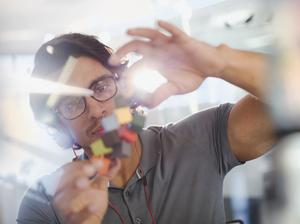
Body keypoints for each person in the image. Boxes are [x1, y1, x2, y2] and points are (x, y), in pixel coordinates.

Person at [17, 21, 276, 224]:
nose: (95, 110)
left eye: (101, 86)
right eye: (71, 103)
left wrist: (219, 63)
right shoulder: (45, 204)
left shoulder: (198, 140)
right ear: (60, 126)